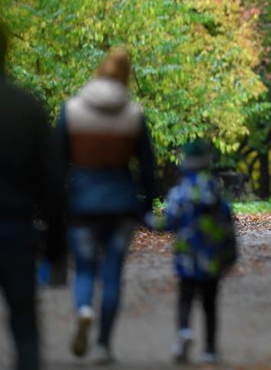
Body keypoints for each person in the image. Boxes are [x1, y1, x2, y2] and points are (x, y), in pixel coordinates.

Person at [56, 47, 157, 364]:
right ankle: (103, 346)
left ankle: (84, 309)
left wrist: (57, 203)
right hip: (121, 206)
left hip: (82, 205)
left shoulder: (71, 110)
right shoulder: (134, 114)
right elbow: (148, 167)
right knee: (112, 274)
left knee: (85, 268)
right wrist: (146, 204)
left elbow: (57, 164)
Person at [0, 20, 67, 370]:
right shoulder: (28, 108)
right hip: (14, 230)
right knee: (25, 324)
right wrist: (55, 246)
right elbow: (52, 185)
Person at [145, 140, 237, 365]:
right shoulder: (216, 191)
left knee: (185, 298)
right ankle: (210, 349)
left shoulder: (180, 192)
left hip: (187, 257)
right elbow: (228, 226)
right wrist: (230, 255)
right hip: (212, 258)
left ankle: (184, 331)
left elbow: (168, 222)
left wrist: (146, 219)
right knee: (209, 303)